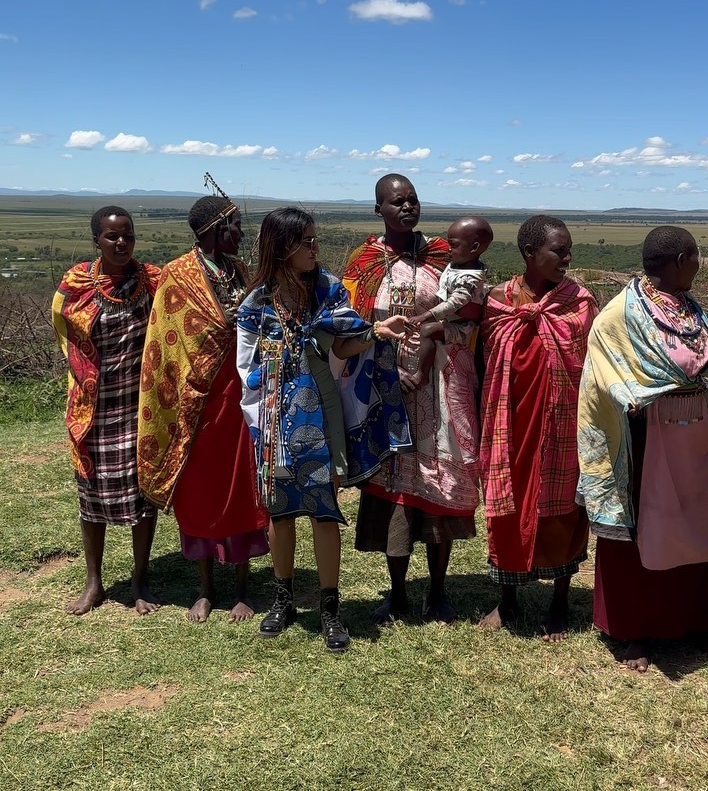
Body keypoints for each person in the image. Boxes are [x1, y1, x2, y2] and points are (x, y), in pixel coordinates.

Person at [237, 206, 412, 652]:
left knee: (323, 507)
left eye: (315, 240)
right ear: (282, 248)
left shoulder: (330, 290)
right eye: (307, 242)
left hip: (321, 411)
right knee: (279, 509)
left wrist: (377, 331)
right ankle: (284, 599)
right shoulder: (256, 303)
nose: (316, 248)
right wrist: (261, 420)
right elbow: (247, 369)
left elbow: (344, 343)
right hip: (274, 416)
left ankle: (330, 609)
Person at [577, 226, 708, 672]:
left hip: (691, 436)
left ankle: (690, 619)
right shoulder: (619, 315)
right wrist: (636, 398)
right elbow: (605, 371)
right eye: (696, 255)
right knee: (642, 529)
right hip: (640, 439)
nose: (700, 262)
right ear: (680, 259)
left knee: (693, 524)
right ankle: (631, 629)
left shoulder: (689, 307)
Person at [342, 173, 481, 625]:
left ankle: (438, 592)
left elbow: (474, 313)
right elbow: (349, 323)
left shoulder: (447, 255)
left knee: (439, 479)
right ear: (378, 209)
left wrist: (435, 340)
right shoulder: (363, 263)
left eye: (413, 200)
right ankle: (397, 592)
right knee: (393, 486)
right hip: (385, 392)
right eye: (396, 202)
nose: (407, 207)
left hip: (441, 387)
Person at [137, 194, 269, 623]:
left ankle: (244, 587)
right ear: (214, 229)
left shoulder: (239, 271)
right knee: (201, 488)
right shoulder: (178, 275)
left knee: (243, 485)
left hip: (241, 395)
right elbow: (168, 341)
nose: (241, 234)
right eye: (235, 226)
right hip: (195, 400)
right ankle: (205, 587)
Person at [479, 215, 597, 641]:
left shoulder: (580, 303)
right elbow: (482, 362)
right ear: (530, 253)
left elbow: (595, 367)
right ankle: (507, 598)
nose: (567, 258)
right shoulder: (498, 301)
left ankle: (560, 602)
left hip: (565, 425)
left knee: (564, 506)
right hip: (510, 425)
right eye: (558, 251)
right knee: (508, 506)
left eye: (568, 250)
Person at [52, 206, 162, 616]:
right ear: (95, 239)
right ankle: (94, 581)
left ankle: (139, 580)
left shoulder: (151, 281)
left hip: (141, 407)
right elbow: (62, 327)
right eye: (111, 236)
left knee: (141, 492)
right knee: (91, 491)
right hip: (93, 408)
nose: (121, 243)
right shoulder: (77, 284)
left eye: (127, 236)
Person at [409, 215, 493, 386]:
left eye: (453, 245)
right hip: (451, 319)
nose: (448, 249)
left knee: (427, 331)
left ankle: (421, 375)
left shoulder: (470, 278)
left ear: (474, 248)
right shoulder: (459, 265)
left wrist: (425, 316)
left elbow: (454, 303)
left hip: (463, 328)